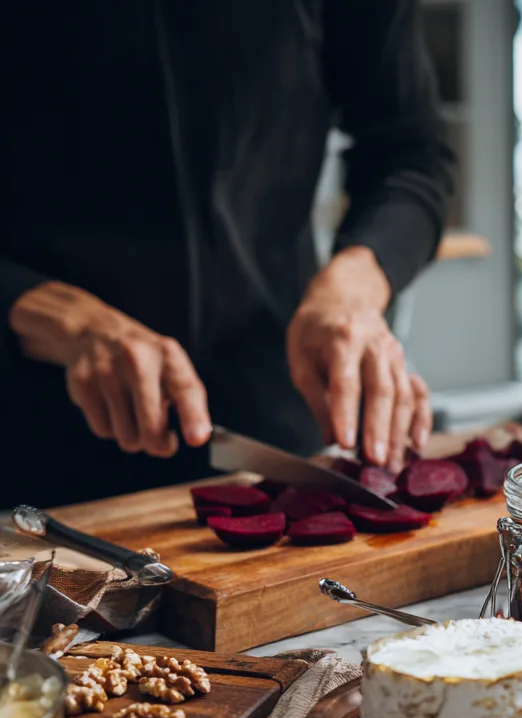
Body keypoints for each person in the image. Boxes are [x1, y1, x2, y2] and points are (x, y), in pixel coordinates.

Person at [0, 1, 454, 508]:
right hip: (31, 449)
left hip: (270, 424)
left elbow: (412, 154)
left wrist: (352, 285)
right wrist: (54, 312)